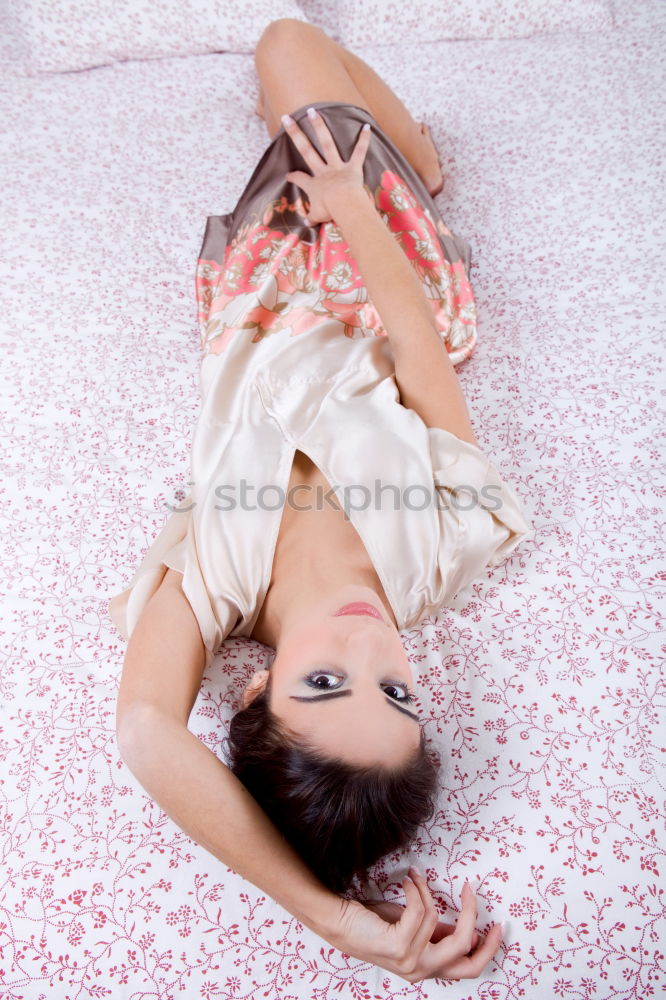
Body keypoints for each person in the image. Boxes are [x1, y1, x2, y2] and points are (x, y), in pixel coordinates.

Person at [109, 18, 530, 984]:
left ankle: (344, 131)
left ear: (254, 691)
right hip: (382, 274)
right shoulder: (439, 552)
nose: (367, 650)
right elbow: (421, 353)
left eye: (324, 685)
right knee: (292, 44)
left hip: (259, 290)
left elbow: (145, 733)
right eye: (397, 692)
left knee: (283, 64)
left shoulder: (216, 585)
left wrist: (330, 921)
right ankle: (417, 155)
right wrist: (354, 206)